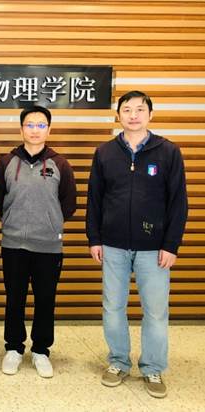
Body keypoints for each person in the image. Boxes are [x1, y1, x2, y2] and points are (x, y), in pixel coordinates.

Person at [86, 90, 188, 398]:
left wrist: (171, 245)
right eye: (127, 109)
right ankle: (118, 361)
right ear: (118, 115)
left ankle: (153, 367)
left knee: (155, 311)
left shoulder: (168, 152)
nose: (133, 115)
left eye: (140, 109)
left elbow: (178, 202)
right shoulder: (105, 153)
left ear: (150, 115)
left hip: (154, 248)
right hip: (113, 244)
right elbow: (95, 199)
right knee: (113, 306)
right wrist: (95, 238)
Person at [0, 105, 77, 378]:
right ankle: (14, 348)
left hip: (48, 246)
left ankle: (41, 350)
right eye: (30, 125)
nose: (35, 130)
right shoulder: (6, 163)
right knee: (14, 298)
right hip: (13, 244)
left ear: (49, 130)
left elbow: (69, 204)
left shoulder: (60, 164)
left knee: (45, 299)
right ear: (21, 129)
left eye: (41, 125)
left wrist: (48, 223)